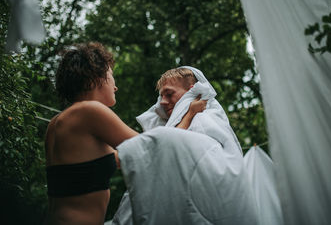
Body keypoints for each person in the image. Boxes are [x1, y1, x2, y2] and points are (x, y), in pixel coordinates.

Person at [44, 42, 206, 225]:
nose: (115, 87)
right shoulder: (89, 111)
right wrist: (190, 114)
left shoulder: (56, 123)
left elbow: (111, 161)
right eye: (111, 77)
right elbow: (156, 150)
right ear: (96, 78)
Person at [112, 66, 257, 225]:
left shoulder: (202, 121)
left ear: (192, 91)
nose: (163, 102)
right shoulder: (188, 121)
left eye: (169, 93)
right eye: (161, 97)